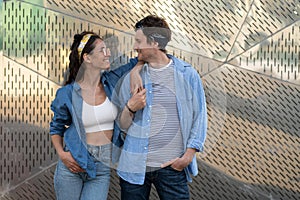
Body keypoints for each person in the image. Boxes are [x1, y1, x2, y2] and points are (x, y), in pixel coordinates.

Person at [114, 15, 207, 200]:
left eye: (139, 41)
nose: (135, 47)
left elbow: (200, 116)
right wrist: (131, 107)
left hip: (172, 167)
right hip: (134, 168)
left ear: (154, 43)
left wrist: (188, 156)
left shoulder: (187, 74)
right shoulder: (133, 77)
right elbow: (122, 125)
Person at [49, 31, 144, 200]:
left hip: (101, 168)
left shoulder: (112, 80)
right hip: (72, 165)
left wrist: (136, 71)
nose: (108, 54)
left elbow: (139, 60)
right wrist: (62, 155)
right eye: (102, 50)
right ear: (87, 58)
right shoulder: (67, 93)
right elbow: (56, 127)